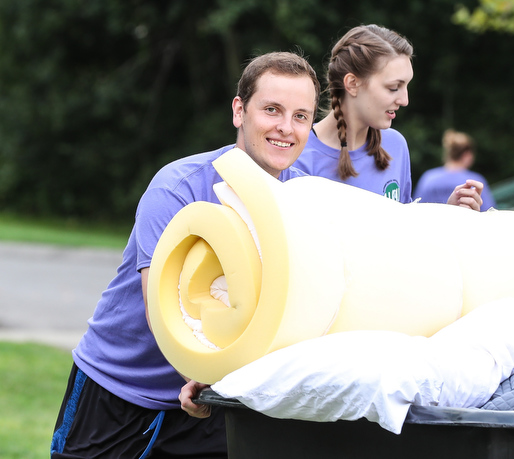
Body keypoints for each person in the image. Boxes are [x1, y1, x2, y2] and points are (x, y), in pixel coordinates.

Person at [50, 51, 321, 458]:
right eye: (272, 110)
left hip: (211, 400)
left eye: (301, 116)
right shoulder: (177, 188)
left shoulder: (302, 200)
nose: (286, 127)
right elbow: (161, 311)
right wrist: (201, 374)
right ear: (239, 111)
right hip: (120, 391)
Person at [293, 24, 483, 210]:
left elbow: (403, 234)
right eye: (393, 88)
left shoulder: (395, 145)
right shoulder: (297, 154)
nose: (404, 100)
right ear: (352, 84)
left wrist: (450, 214)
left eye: (406, 86)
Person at [414, 129, 497, 211]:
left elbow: (415, 209)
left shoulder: (428, 177)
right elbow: (489, 211)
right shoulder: (475, 181)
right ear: (467, 154)